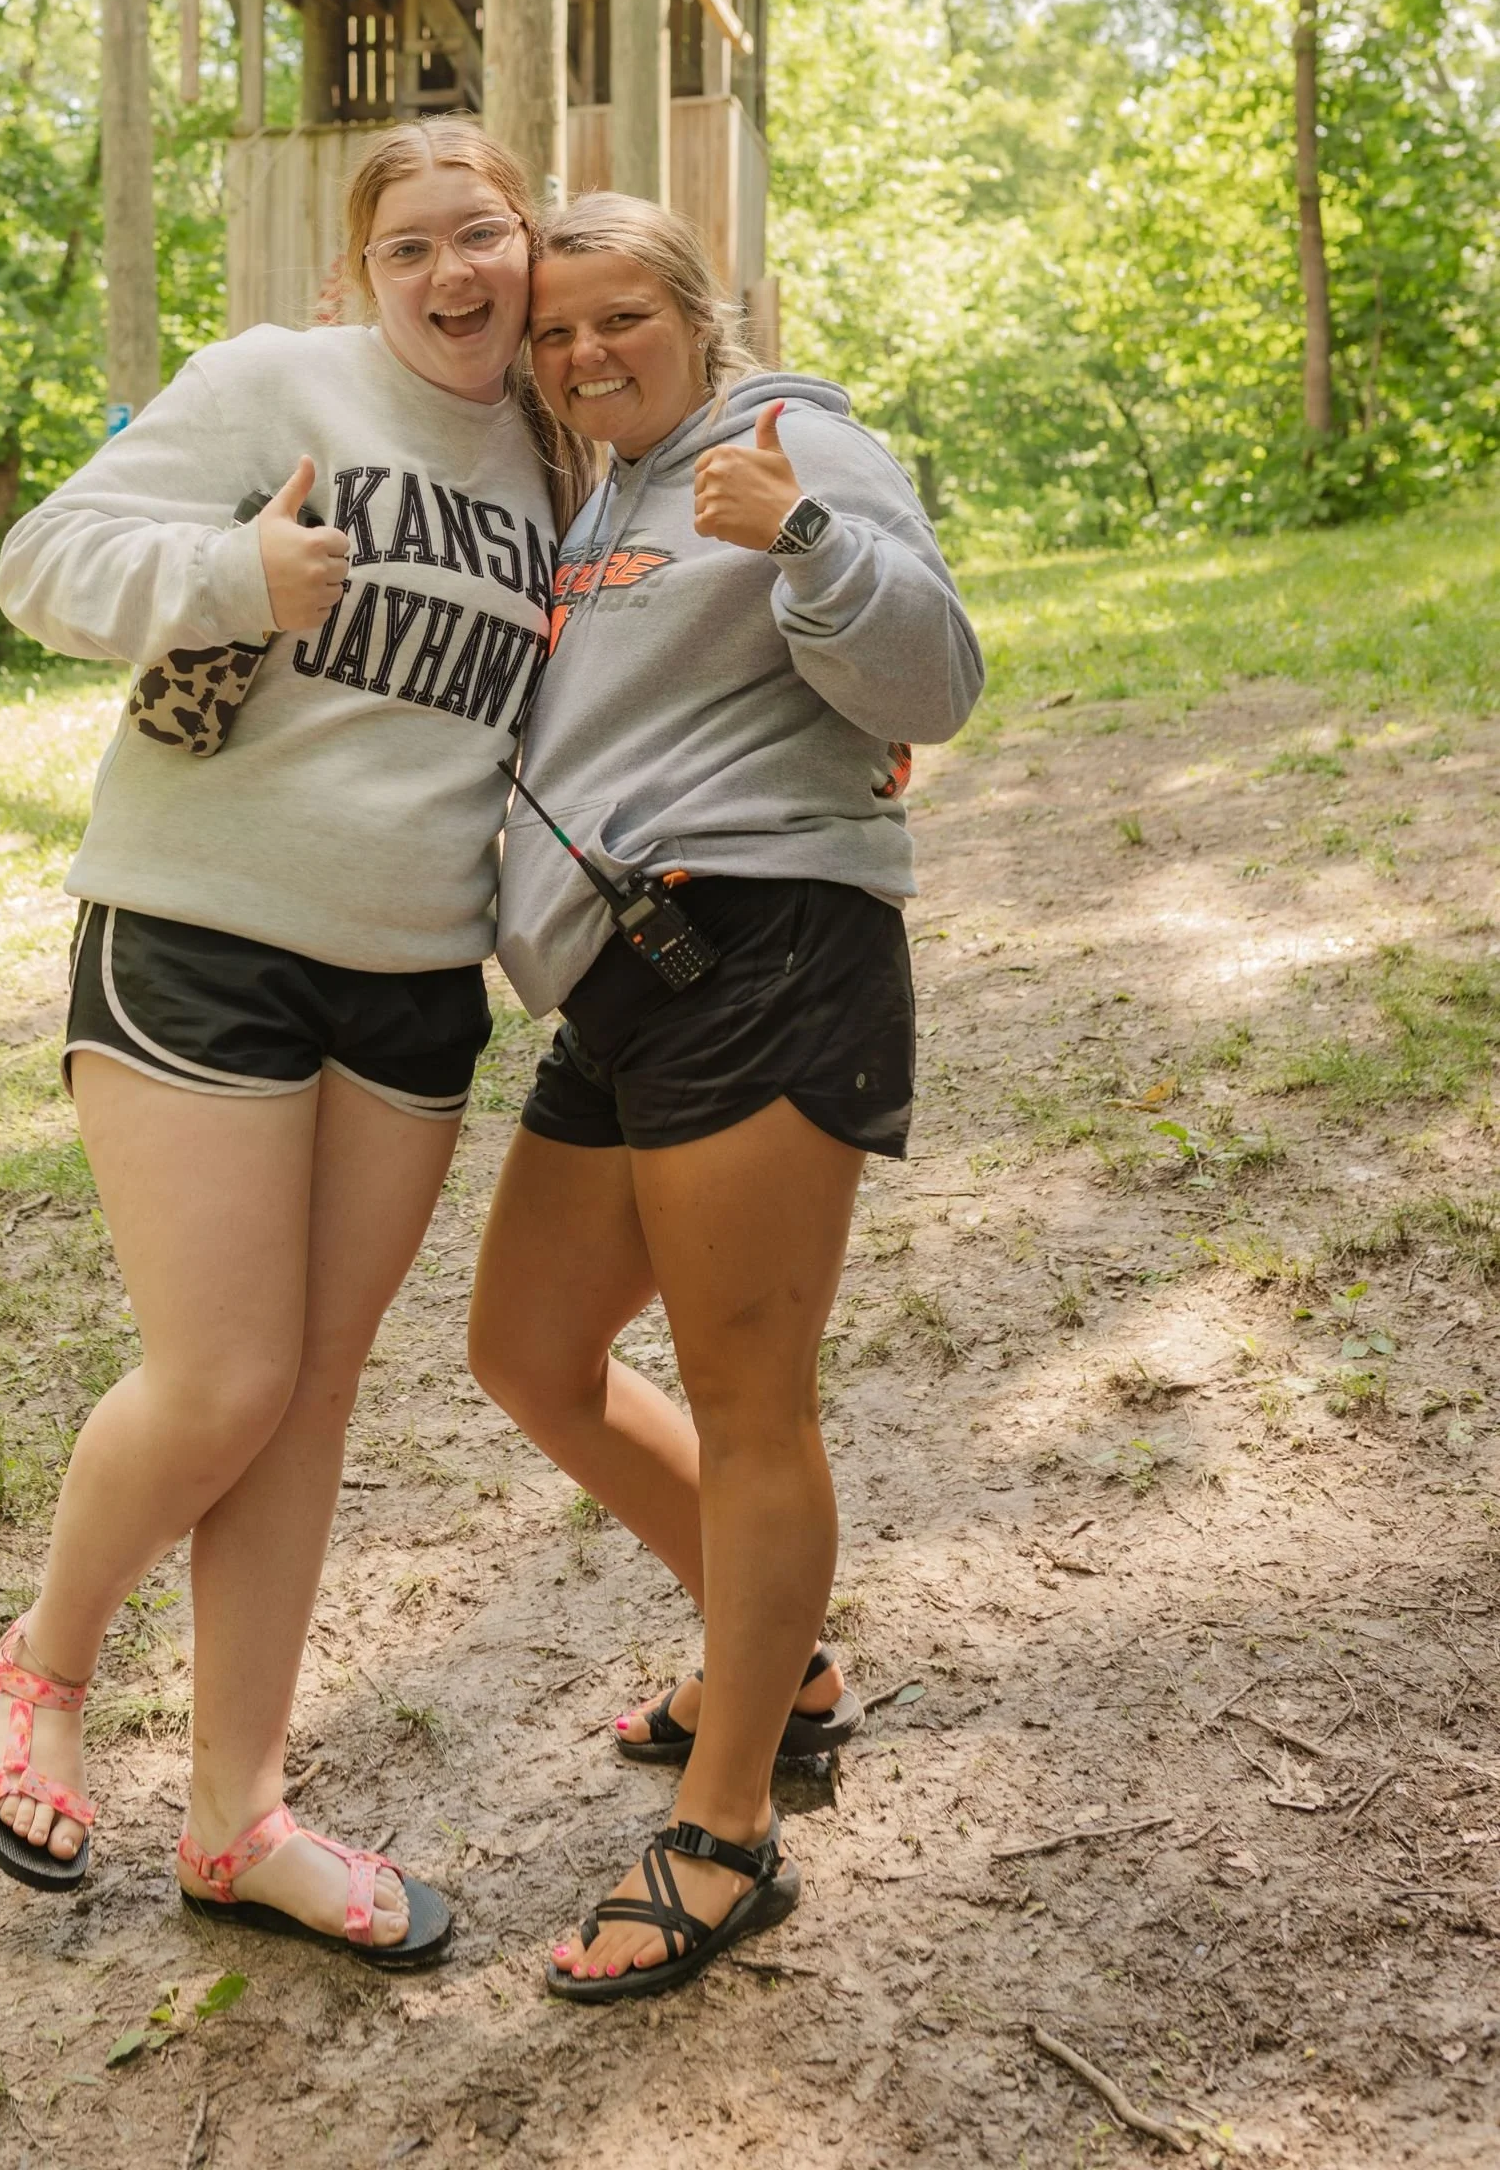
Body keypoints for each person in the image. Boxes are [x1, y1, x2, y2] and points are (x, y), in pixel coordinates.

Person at [0, 120, 559, 1969]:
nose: (456, 274)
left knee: (309, 1398)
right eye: (414, 250)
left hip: (412, 976)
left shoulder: (567, 452)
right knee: (222, 1380)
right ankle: (41, 1673)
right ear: (360, 278)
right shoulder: (274, 383)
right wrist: (239, 576)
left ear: (532, 247)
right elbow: (45, 560)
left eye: (486, 234)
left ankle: (237, 1819)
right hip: (202, 930)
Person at [468, 194, 983, 2000]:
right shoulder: (592, 499)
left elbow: (936, 681)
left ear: (702, 311)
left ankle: (731, 1821)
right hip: (622, 976)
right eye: (555, 331)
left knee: (750, 1405)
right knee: (530, 1349)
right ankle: (783, 1656)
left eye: (621, 317)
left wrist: (813, 539)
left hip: (763, 945)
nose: (587, 352)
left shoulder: (792, 440)